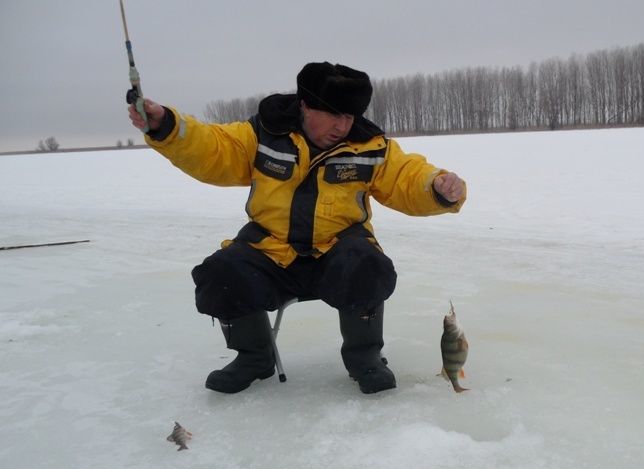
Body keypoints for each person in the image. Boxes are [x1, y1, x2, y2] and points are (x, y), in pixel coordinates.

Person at [128, 61, 466, 395]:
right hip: (272, 250)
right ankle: (254, 358)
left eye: (349, 116)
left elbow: (406, 176)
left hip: (337, 249)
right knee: (220, 274)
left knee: (368, 265)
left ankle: (365, 357)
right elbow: (212, 147)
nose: (342, 126)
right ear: (305, 105)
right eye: (333, 114)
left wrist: (436, 187)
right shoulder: (263, 134)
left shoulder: (371, 146)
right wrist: (166, 126)